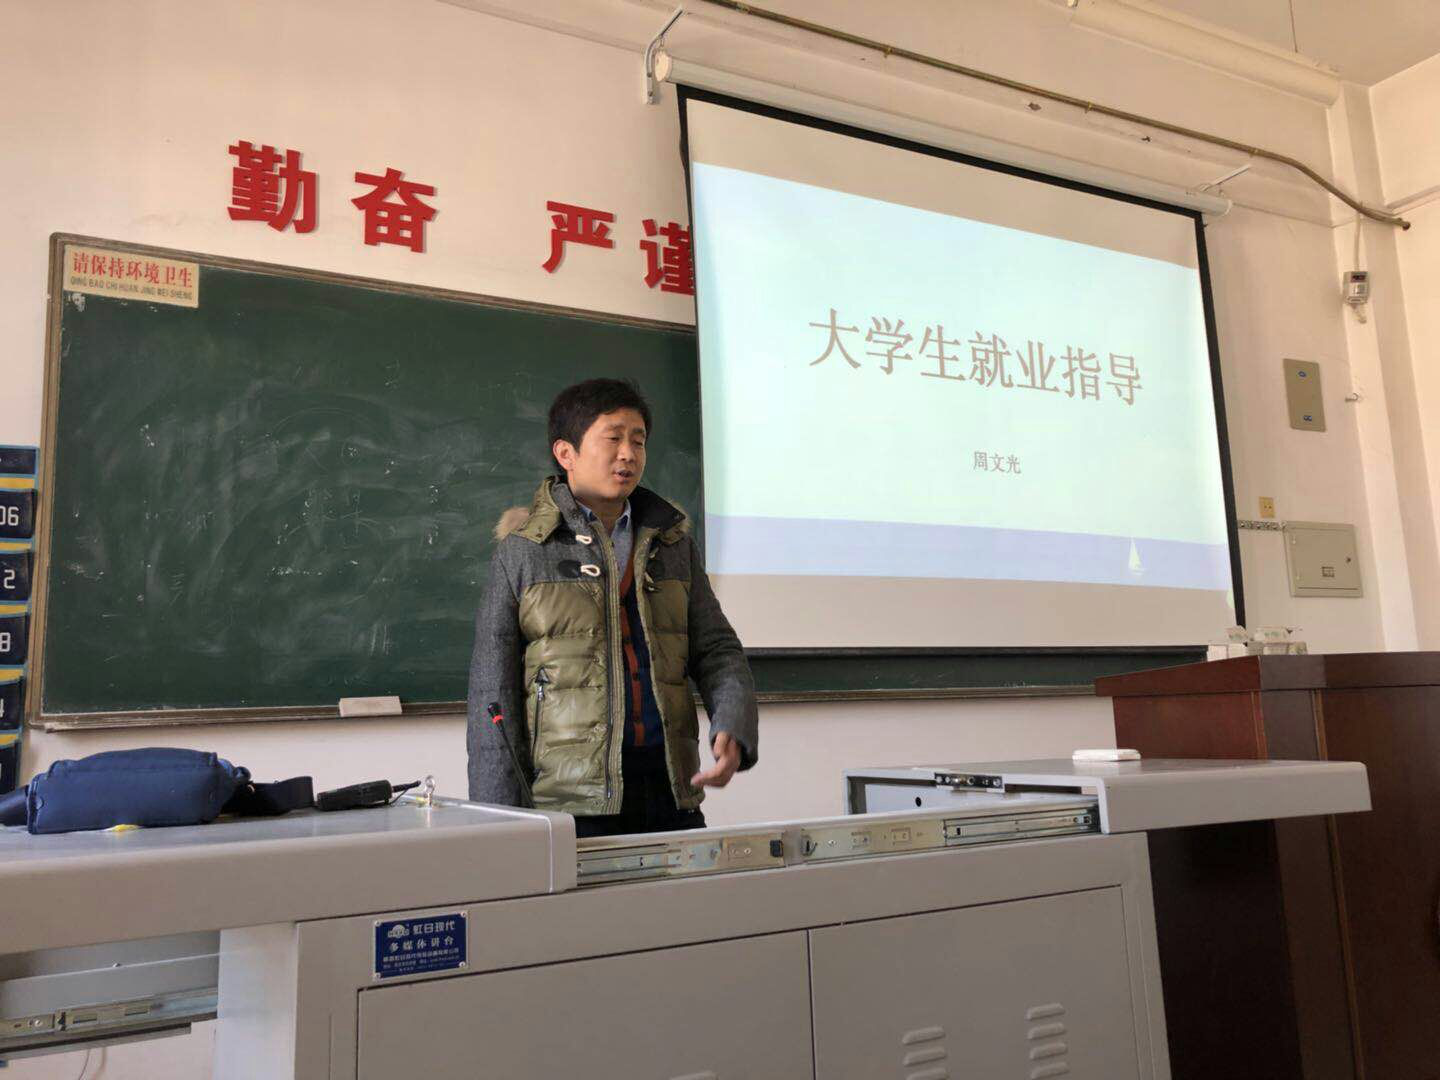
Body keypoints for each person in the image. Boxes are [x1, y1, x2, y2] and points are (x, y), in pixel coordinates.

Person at [467, 378, 758, 837]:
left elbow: (717, 649)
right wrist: (498, 822)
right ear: (566, 453)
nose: (628, 454)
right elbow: (491, 693)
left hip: (670, 788)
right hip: (569, 800)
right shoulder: (524, 551)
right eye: (614, 438)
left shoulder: (671, 543)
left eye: (638, 441)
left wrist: (733, 724)